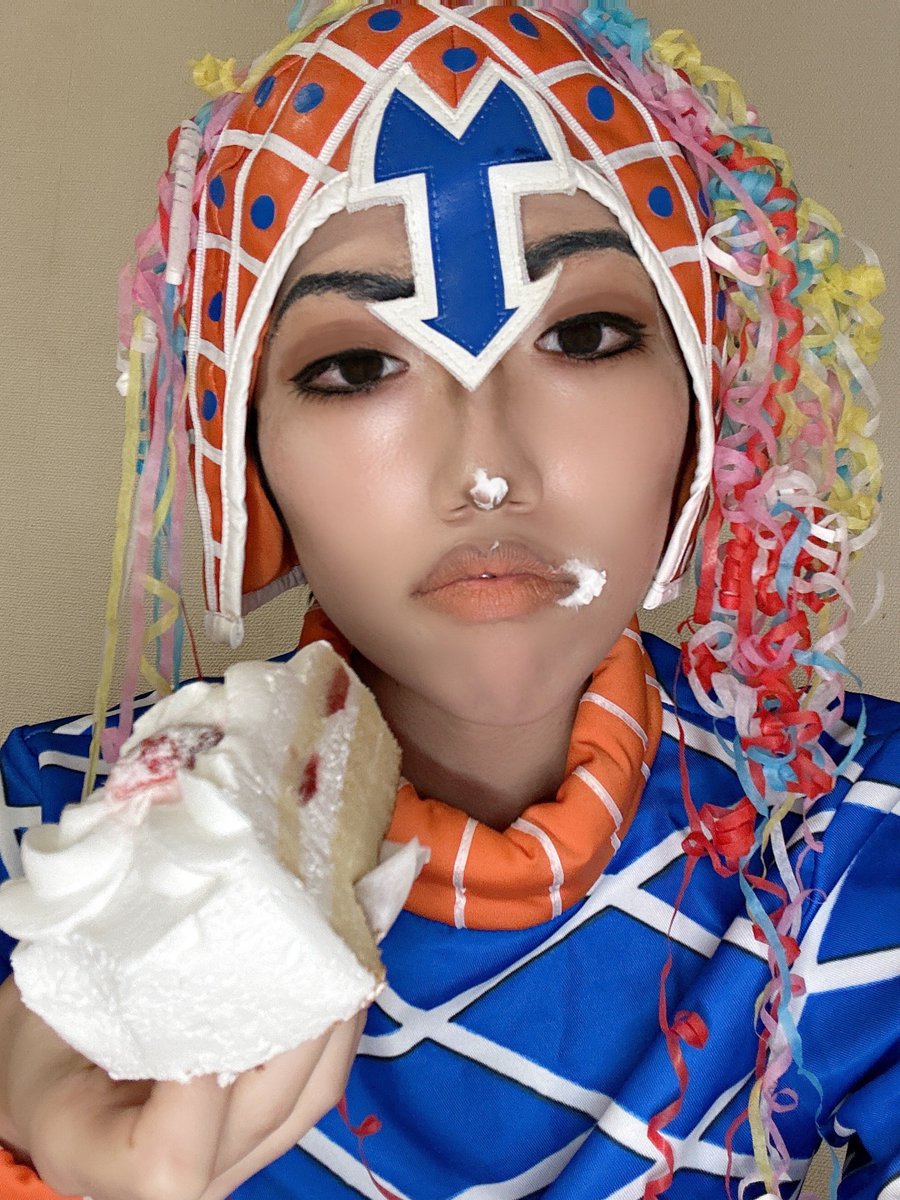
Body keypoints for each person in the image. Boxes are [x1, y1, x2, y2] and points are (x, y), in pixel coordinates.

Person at [0, 1, 895, 1198]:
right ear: (244, 459)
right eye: (357, 367)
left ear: (704, 407)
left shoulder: (845, 826)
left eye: (585, 335)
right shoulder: (46, 834)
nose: (486, 471)